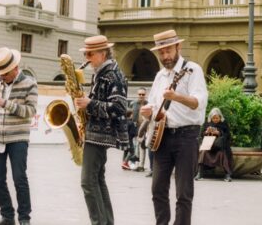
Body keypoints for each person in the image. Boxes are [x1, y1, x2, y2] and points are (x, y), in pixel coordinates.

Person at [140, 29, 208, 225]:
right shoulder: (160, 76)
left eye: (168, 51)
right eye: (161, 53)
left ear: (178, 47)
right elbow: (154, 106)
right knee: (157, 189)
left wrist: (177, 97)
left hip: (187, 136)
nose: (165, 56)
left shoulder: (192, 69)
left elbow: (199, 102)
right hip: (162, 136)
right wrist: (148, 111)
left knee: (184, 192)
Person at [73, 35, 128, 225]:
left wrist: (89, 104)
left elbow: (119, 107)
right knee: (97, 179)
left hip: (100, 134)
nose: (87, 57)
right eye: (86, 53)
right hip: (95, 132)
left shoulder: (113, 74)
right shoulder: (101, 72)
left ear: (103, 53)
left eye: (90, 54)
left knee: (88, 181)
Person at [0, 47, 37, 225]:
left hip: (18, 138)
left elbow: (30, 111)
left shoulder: (30, 84)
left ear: (14, 69)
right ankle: (7, 216)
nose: (1, 77)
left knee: (19, 178)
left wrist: (6, 104)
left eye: (4, 74)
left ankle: (24, 217)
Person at [195, 107, 233, 182]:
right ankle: (200, 173)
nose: (215, 120)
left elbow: (228, 135)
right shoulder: (207, 123)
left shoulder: (224, 123)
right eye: (214, 118)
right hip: (208, 146)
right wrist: (206, 132)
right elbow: (201, 135)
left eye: (217, 118)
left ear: (220, 117)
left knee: (223, 154)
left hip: (220, 146)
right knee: (203, 152)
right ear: (211, 118)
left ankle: (227, 174)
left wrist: (219, 133)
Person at [130, 88, 148, 172]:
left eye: (143, 94)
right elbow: (129, 114)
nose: (141, 96)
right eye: (140, 94)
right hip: (136, 127)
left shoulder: (148, 104)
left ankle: (141, 165)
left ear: (145, 95)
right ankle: (136, 164)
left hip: (146, 128)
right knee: (135, 146)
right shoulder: (133, 104)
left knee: (142, 146)